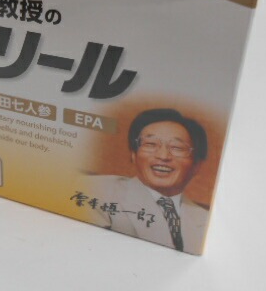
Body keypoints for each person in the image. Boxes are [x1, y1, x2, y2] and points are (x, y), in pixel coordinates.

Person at [87, 108, 210, 254]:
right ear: (133, 154)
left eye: (177, 147)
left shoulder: (207, 220)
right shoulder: (95, 190)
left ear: (197, 165)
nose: (163, 156)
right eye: (150, 144)